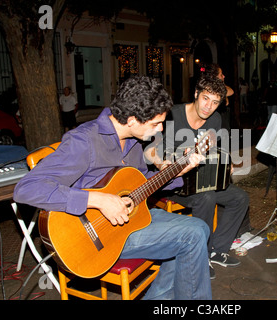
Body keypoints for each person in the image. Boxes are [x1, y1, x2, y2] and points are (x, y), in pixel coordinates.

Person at [13, 76, 212, 300]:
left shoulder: (133, 140)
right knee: (192, 236)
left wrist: (177, 171)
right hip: (95, 238)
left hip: (131, 221)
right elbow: (26, 188)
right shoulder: (84, 141)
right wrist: (98, 200)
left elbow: (136, 183)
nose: (160, 130)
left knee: (200, 228)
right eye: (156, 124)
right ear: (131, 120)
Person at [145, 75, 250, 280]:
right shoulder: (172, 115)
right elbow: (149, 148)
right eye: (205, 98)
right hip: (174, 183)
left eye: (215, 102)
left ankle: (217, 250)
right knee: (207, 197)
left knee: (240, 198)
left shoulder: (215, 119)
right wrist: (162, 163)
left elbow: (214, 148)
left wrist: (224, 164)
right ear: (196, 94)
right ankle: (200, 255)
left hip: (203, 179)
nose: (208, 106)